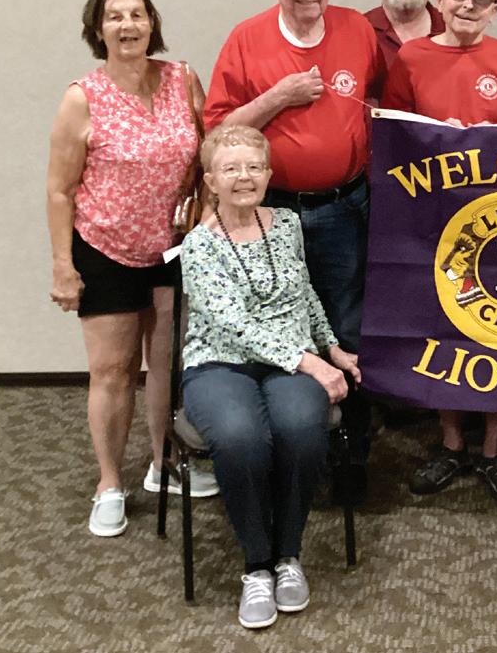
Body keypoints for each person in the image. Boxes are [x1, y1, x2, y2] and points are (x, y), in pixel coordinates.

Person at [204, 0, 385, 503]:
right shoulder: (246, 39)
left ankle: (351, 455)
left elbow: (379, 97)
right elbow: (217, 132)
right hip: (268, 211)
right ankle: (289, 452)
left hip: (344, 207)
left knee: (348, 329)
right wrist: (278, 97)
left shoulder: (357, 29)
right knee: (280, 328)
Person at [47, 0, 219, 539]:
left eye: (137, 14)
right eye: (115, 16)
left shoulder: (182, 78)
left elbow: (206, 154)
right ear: (98, 29)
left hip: (173, 248)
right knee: (113, 370)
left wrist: (206, 210)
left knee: (167, 364)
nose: (128, 25)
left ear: (152, 23)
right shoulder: (82, 97)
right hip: (106, 249)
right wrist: (63, 266)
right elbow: (59, 190)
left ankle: (162, 463)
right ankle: (108, 483)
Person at [180, 123, 359, 629]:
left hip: (295, 359)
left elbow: (304, 292)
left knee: (301, 430)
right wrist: (310, 362)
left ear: (268, 174)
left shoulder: (287, 224)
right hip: (220, 362)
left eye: (254, 167)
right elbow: (232, 323)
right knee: (241, 438)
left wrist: (330, 344)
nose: (244, 177)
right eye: (231, 168)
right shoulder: (199, 245)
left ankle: (288, 555)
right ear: (211, 180)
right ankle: (257, 565)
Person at [382, 0, 497, 501]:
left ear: (494, 10)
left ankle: (494, 450)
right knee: (441, 329)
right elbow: (394, 133)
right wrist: (436, 138)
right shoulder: (412, 56)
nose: (468, 5)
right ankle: (451, 443)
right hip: (432, 219)